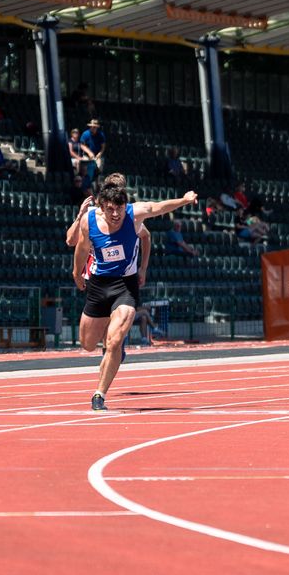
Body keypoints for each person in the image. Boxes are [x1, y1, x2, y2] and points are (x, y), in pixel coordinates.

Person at [64, 174, 197, 411]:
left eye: (120, 209)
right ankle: (112, 343)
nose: (116, 214)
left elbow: (158, 207)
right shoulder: (89, 219)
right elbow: (80, 247)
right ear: (102, 207)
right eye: (111, 209)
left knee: (114, 341)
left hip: (125, 285)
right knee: (86, 344)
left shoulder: (134, 215)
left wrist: (185, 200)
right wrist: (76, 273)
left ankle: (99, 394)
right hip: (98, 285)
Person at [77, 119, 106, 187]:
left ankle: (97, 183)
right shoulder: (85, 134)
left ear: (97, 127)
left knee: (99, 167)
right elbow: (82, 145)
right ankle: (83, 183)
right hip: (87, 156)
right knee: (84, 168)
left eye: (94, 127)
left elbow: (103, 147)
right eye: (91, 126)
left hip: (97, 156)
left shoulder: (101, 135)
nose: (92, 128)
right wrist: (89, 152)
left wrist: (99, 154)